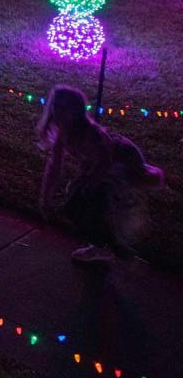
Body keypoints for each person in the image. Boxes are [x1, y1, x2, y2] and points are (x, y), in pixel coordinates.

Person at [37, 85, 165, 263]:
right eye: (57, 107)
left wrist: (88, 183)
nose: (60, 112)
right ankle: (107, 241)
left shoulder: (91, 134)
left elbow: (106, 160)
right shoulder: (64, 132)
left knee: (92, 203)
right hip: (104, 167)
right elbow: (55, 165)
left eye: (66, 108)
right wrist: (46, 197)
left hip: (122, 165)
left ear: (77, 111)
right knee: (78, 199)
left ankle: (107, 246)